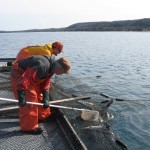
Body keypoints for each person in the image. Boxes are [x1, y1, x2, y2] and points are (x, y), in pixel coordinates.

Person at [10, 55, 71, 134]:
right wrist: (21, 95)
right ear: (59, 69)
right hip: (19, 74)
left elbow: (46, 81)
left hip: (30, 77)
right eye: (63, 72)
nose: (62, 74)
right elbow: (24, 79)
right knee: (30, 98)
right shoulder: (42, 66)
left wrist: (46, 95)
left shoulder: (52, 67)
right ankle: (28, 128)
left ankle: (42, 116)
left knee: (39, 96)